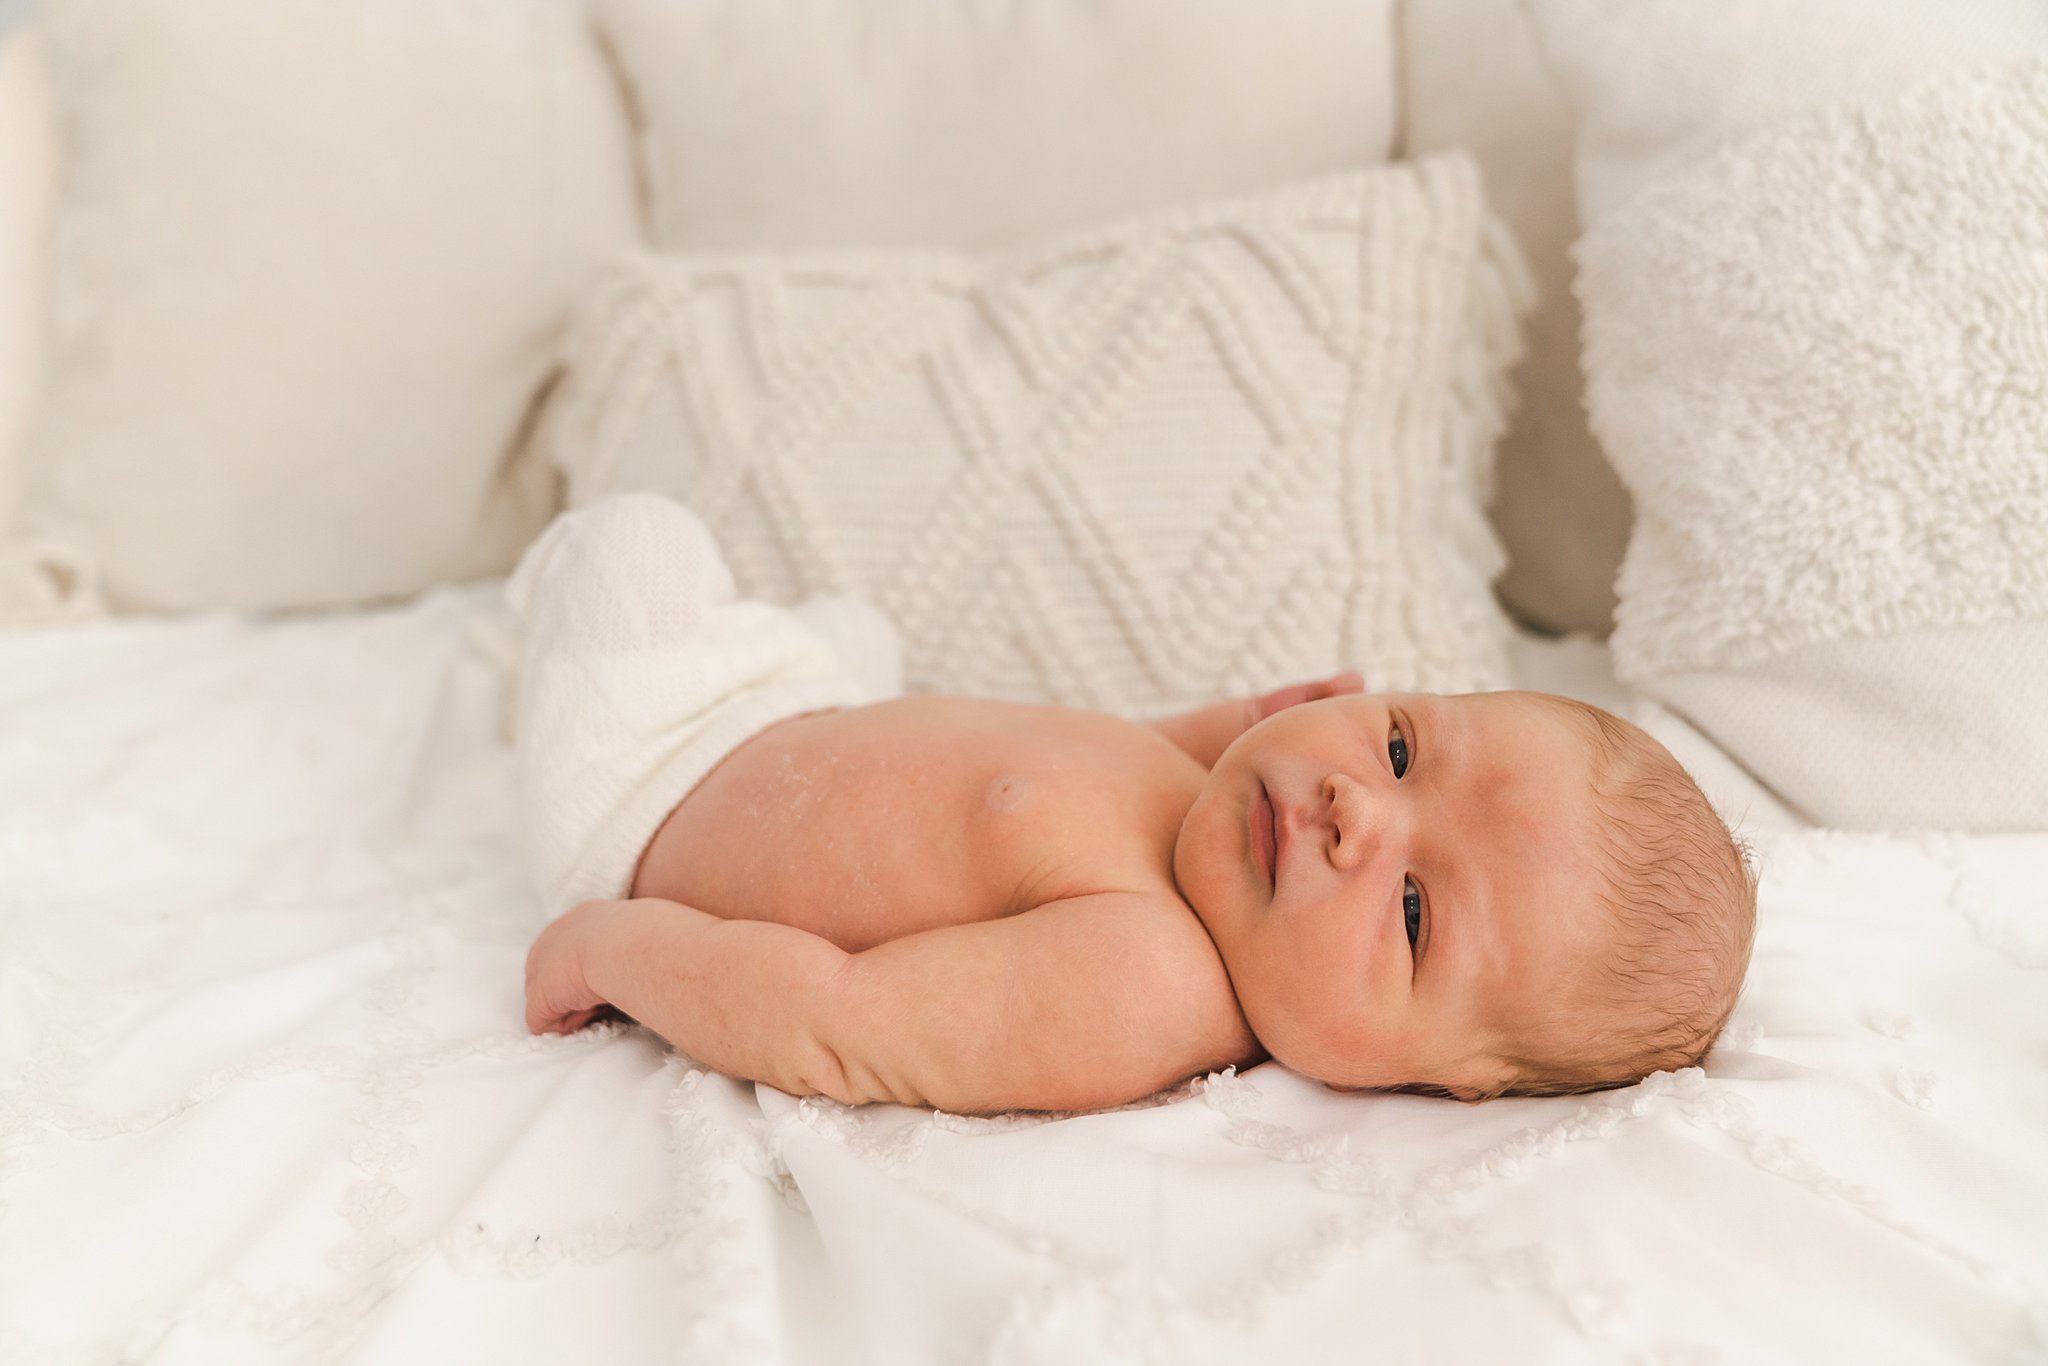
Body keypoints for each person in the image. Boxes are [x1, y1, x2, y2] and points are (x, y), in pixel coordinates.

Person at [516, 494, 1756, 1114]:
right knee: (854, 634)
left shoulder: (1142, 983)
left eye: (1417, 911)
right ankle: (811, 654)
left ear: (1449, 1081)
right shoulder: (1216, 840)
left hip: (653, 788)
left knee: (631, 547)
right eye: (1395, 744)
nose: (1352, 812)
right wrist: (1225, 726)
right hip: (798, 709)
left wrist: (617, 946)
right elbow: (1090, 769)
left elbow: (837, 1025)